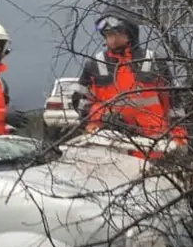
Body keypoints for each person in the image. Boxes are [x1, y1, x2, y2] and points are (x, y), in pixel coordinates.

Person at [71, 13, 186, 152]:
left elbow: (173, 102)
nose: (112, 40)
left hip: (150, 142)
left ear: (129, 34)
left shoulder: (153, 61)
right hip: (105, 141)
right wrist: (103, 118)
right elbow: (81, 101)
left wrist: (179, 138)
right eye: (108, 35)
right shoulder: (95, 65)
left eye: (115, 34)